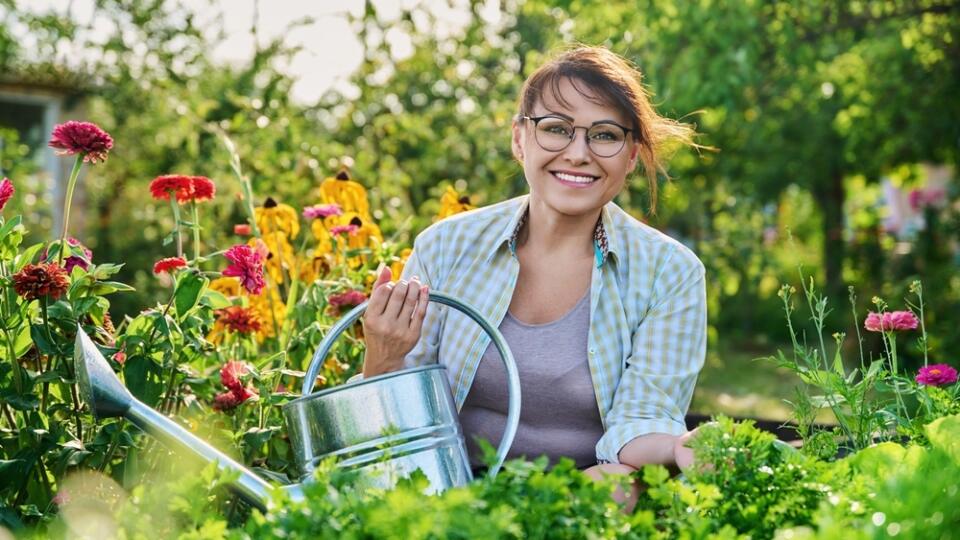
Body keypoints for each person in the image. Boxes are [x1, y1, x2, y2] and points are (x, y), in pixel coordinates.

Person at [360, 45, 706, 501]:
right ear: (519, 139)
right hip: (452, 489)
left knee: (619, 488)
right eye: (556, 129)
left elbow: (642, 419)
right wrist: (383, 358)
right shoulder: (446, 246)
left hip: (579, 493)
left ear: (630, 156)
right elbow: (394, 434)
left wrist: (681, 446)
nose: (578, 153)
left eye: (604, 135)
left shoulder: (670, 273)